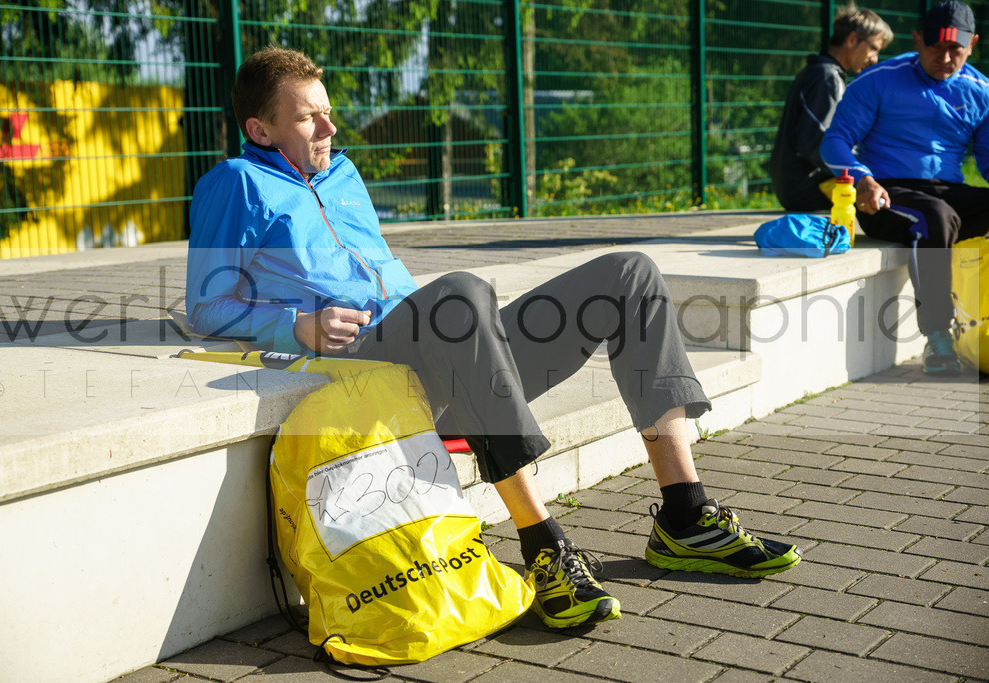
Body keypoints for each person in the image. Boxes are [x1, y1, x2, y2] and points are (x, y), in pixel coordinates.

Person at [186, 46, 801, 631]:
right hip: (372, 370)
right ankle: (544, 547)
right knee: (460, 293)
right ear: (260, 130)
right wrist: (296, 325)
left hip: (448, 352)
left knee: (629, 274)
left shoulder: (342, 174)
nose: (330, 127)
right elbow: (206, 306)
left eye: (327, 111)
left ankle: (685, 514)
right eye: (308, 117)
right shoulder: (235, 183)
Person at [820, 0, 989, 375]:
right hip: (884, 194)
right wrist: (862, 179)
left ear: (973, 44)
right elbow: (834, 141)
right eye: (935, 47)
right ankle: (938, 337)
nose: (945, 58)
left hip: (947, 192)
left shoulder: (982, 91)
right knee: (936, 217)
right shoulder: (878, 80)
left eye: (955, 49)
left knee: (943, 212)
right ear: (917, 40)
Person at [770, 7, 892, 211]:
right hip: (806, 188)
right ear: (852, 40)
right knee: (886, 191)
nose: (875, 59)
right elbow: (818, 144)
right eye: (873, 48)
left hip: (795, 185)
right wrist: (862, 171)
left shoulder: (820, 72)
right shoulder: (826, 77)